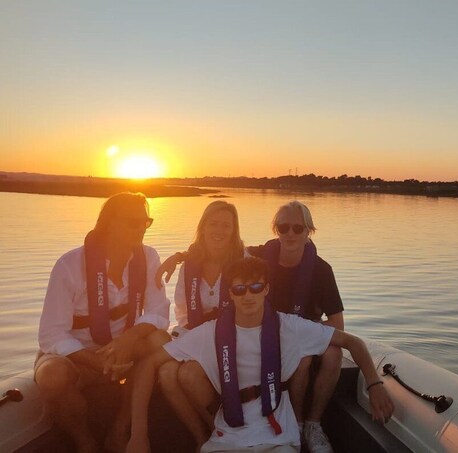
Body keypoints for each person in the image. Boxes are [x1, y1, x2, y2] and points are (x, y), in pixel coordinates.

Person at [127, 256, 393, 453]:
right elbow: (149, 365)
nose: (248, 296)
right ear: (230, 293)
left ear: (266, 289)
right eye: (239, 289)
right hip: (227, 436)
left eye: (256, 288)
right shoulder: (211, 333)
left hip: (277, 435)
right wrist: (138, 433)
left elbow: (352, 342)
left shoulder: (289, 327)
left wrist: (375, 384)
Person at [35, 192, 170, 453]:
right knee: (51, 376)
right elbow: (51, 334)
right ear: (109, 222)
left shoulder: (149, 258)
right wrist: (95, 360)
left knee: (161, 341)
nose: (141, 228)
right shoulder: (70, 265)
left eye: (146, 222)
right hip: (78, 356)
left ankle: (120, 430)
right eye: (132, 222)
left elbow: (159, 312)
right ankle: (85, 442)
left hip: (124, 352)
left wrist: (127, 340)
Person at [248, 201, 344, 453]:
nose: (290, 233)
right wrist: (182, 256)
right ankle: (294, 422)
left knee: (333, 354)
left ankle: (311, 425)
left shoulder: (322, 270)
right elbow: (220, 250)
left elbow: (337, 324)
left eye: (297, 228)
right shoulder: (257, 258)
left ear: (308, 231)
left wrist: (309, 333)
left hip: (302, 331)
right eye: (283, 227)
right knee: (300, 358)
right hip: (265, 332)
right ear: (275, 230)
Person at [155, 200, 246, 436]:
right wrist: (194, 341)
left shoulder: (244, 261)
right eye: (213, 224)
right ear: (203, 227)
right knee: (165, 374)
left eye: (226, 225)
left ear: (234, 230)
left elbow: (249, 307)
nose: (219, 231)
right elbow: (182, 310)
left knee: (189, 374)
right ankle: (201, 436)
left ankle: (221, 433)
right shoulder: (190, 264)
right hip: (194, 335)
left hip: (233, 338)